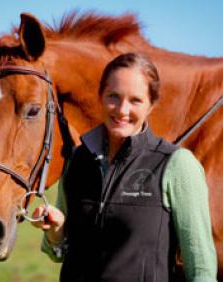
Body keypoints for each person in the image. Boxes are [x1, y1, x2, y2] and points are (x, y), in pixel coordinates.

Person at [32, 53, 218, 282]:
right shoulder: (76, 161)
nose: (122, 110)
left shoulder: (177, 165)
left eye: (135, 100)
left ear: (151, 105)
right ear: (100, 97)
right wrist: (56, 229)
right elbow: (58, 253)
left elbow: (201, 271)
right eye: (114, 96)